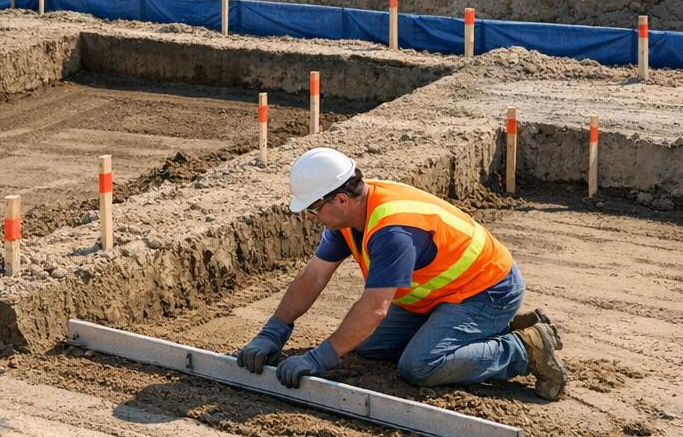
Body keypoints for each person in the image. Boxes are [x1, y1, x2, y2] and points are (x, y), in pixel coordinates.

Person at [235, 147, 566, 400]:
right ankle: (469, 332)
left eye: (314, 209)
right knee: (367, 343)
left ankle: (525, 347)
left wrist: (321, 358)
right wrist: (274, 331)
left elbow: (376, 307)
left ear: (339, 199)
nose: (311, 217)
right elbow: (313, 277)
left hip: (487, 290)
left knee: (419, 365)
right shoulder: (350, 217)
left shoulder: (392, 231)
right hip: (439, 296)